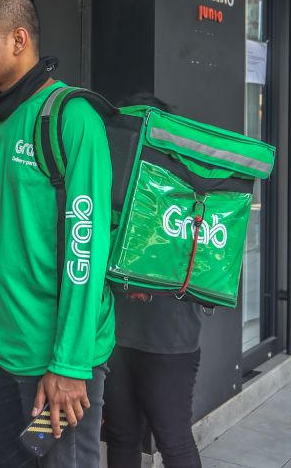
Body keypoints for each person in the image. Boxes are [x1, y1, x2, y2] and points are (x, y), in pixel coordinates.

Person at [0, 0, 114, 468]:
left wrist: (70, 364)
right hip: (1, 353)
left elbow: (87, 250)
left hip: (55, 362)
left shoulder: (72, 118)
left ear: (18, 40)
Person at [102, 93, 203, 468]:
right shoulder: (111, 186)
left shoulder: (191, 193)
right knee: (121, 437)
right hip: (115, 337)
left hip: (168, 342)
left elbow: (206, 265)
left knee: (172, 440)